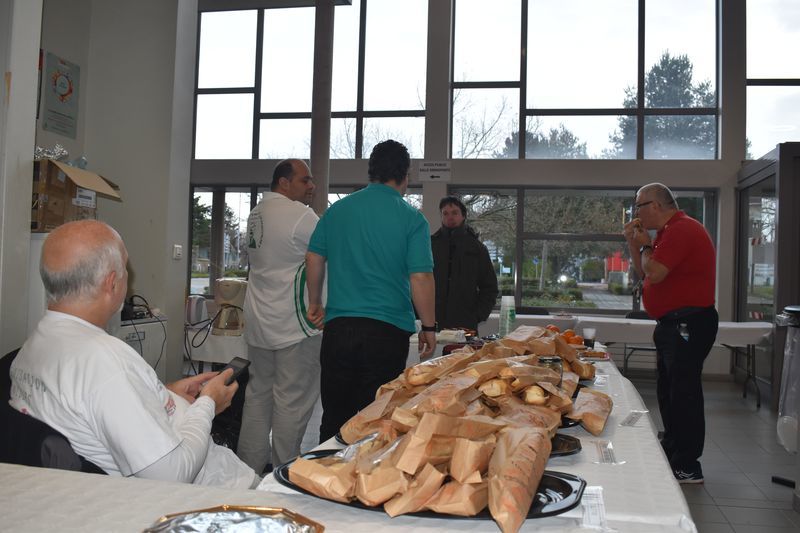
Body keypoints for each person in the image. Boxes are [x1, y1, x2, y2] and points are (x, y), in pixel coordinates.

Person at [9, 220, 258, 488]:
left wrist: (161, 393)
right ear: (112, 283)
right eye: (125, 268)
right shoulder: (106, 363)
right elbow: (173, 475)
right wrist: (208, 403)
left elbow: (92, 404)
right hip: (221, 490)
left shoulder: (34, 346)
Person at [305, 139, 436, 443]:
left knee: (334, 420)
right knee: (374, 425)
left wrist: (315, 302)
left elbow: (313, 257)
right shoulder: (412, 218)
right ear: (405, 175)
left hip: (339, 330)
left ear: (371, 172)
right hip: (386, 334)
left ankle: (322, 471)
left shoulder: (338, 211)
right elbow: (420, 276)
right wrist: (429, 327)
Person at [623, 183, 718, 484]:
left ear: (656, 205)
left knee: (684, 393)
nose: (636, 212)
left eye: (639, 206)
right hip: (672, 324)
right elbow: (644, 272)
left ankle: (688, 464)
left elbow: (655, 272)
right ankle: (674, 447)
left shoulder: (682, 229)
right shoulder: (666, 233)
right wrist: (635, 244)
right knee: (669, 391)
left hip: (688, 323)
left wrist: (645, 245)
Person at [237, 159, 322, 472]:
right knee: (291, 400)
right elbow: (327, 253)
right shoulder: (300, 215)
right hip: (293, 323)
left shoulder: (256, 213)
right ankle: (284, 472)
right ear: (284, 183)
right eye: (305, 180)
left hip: (259, 321)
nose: (311, 186)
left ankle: (248, 470)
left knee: (257, 396)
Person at [431, 196, 498, 332]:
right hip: (433, 322)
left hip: (465, 325)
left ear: (463, 216)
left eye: (454, 213)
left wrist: (477, 315)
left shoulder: (477, 248)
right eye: (445, 213)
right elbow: (417, 280)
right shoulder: (430, 246)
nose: (450, 217)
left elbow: (489, 288)